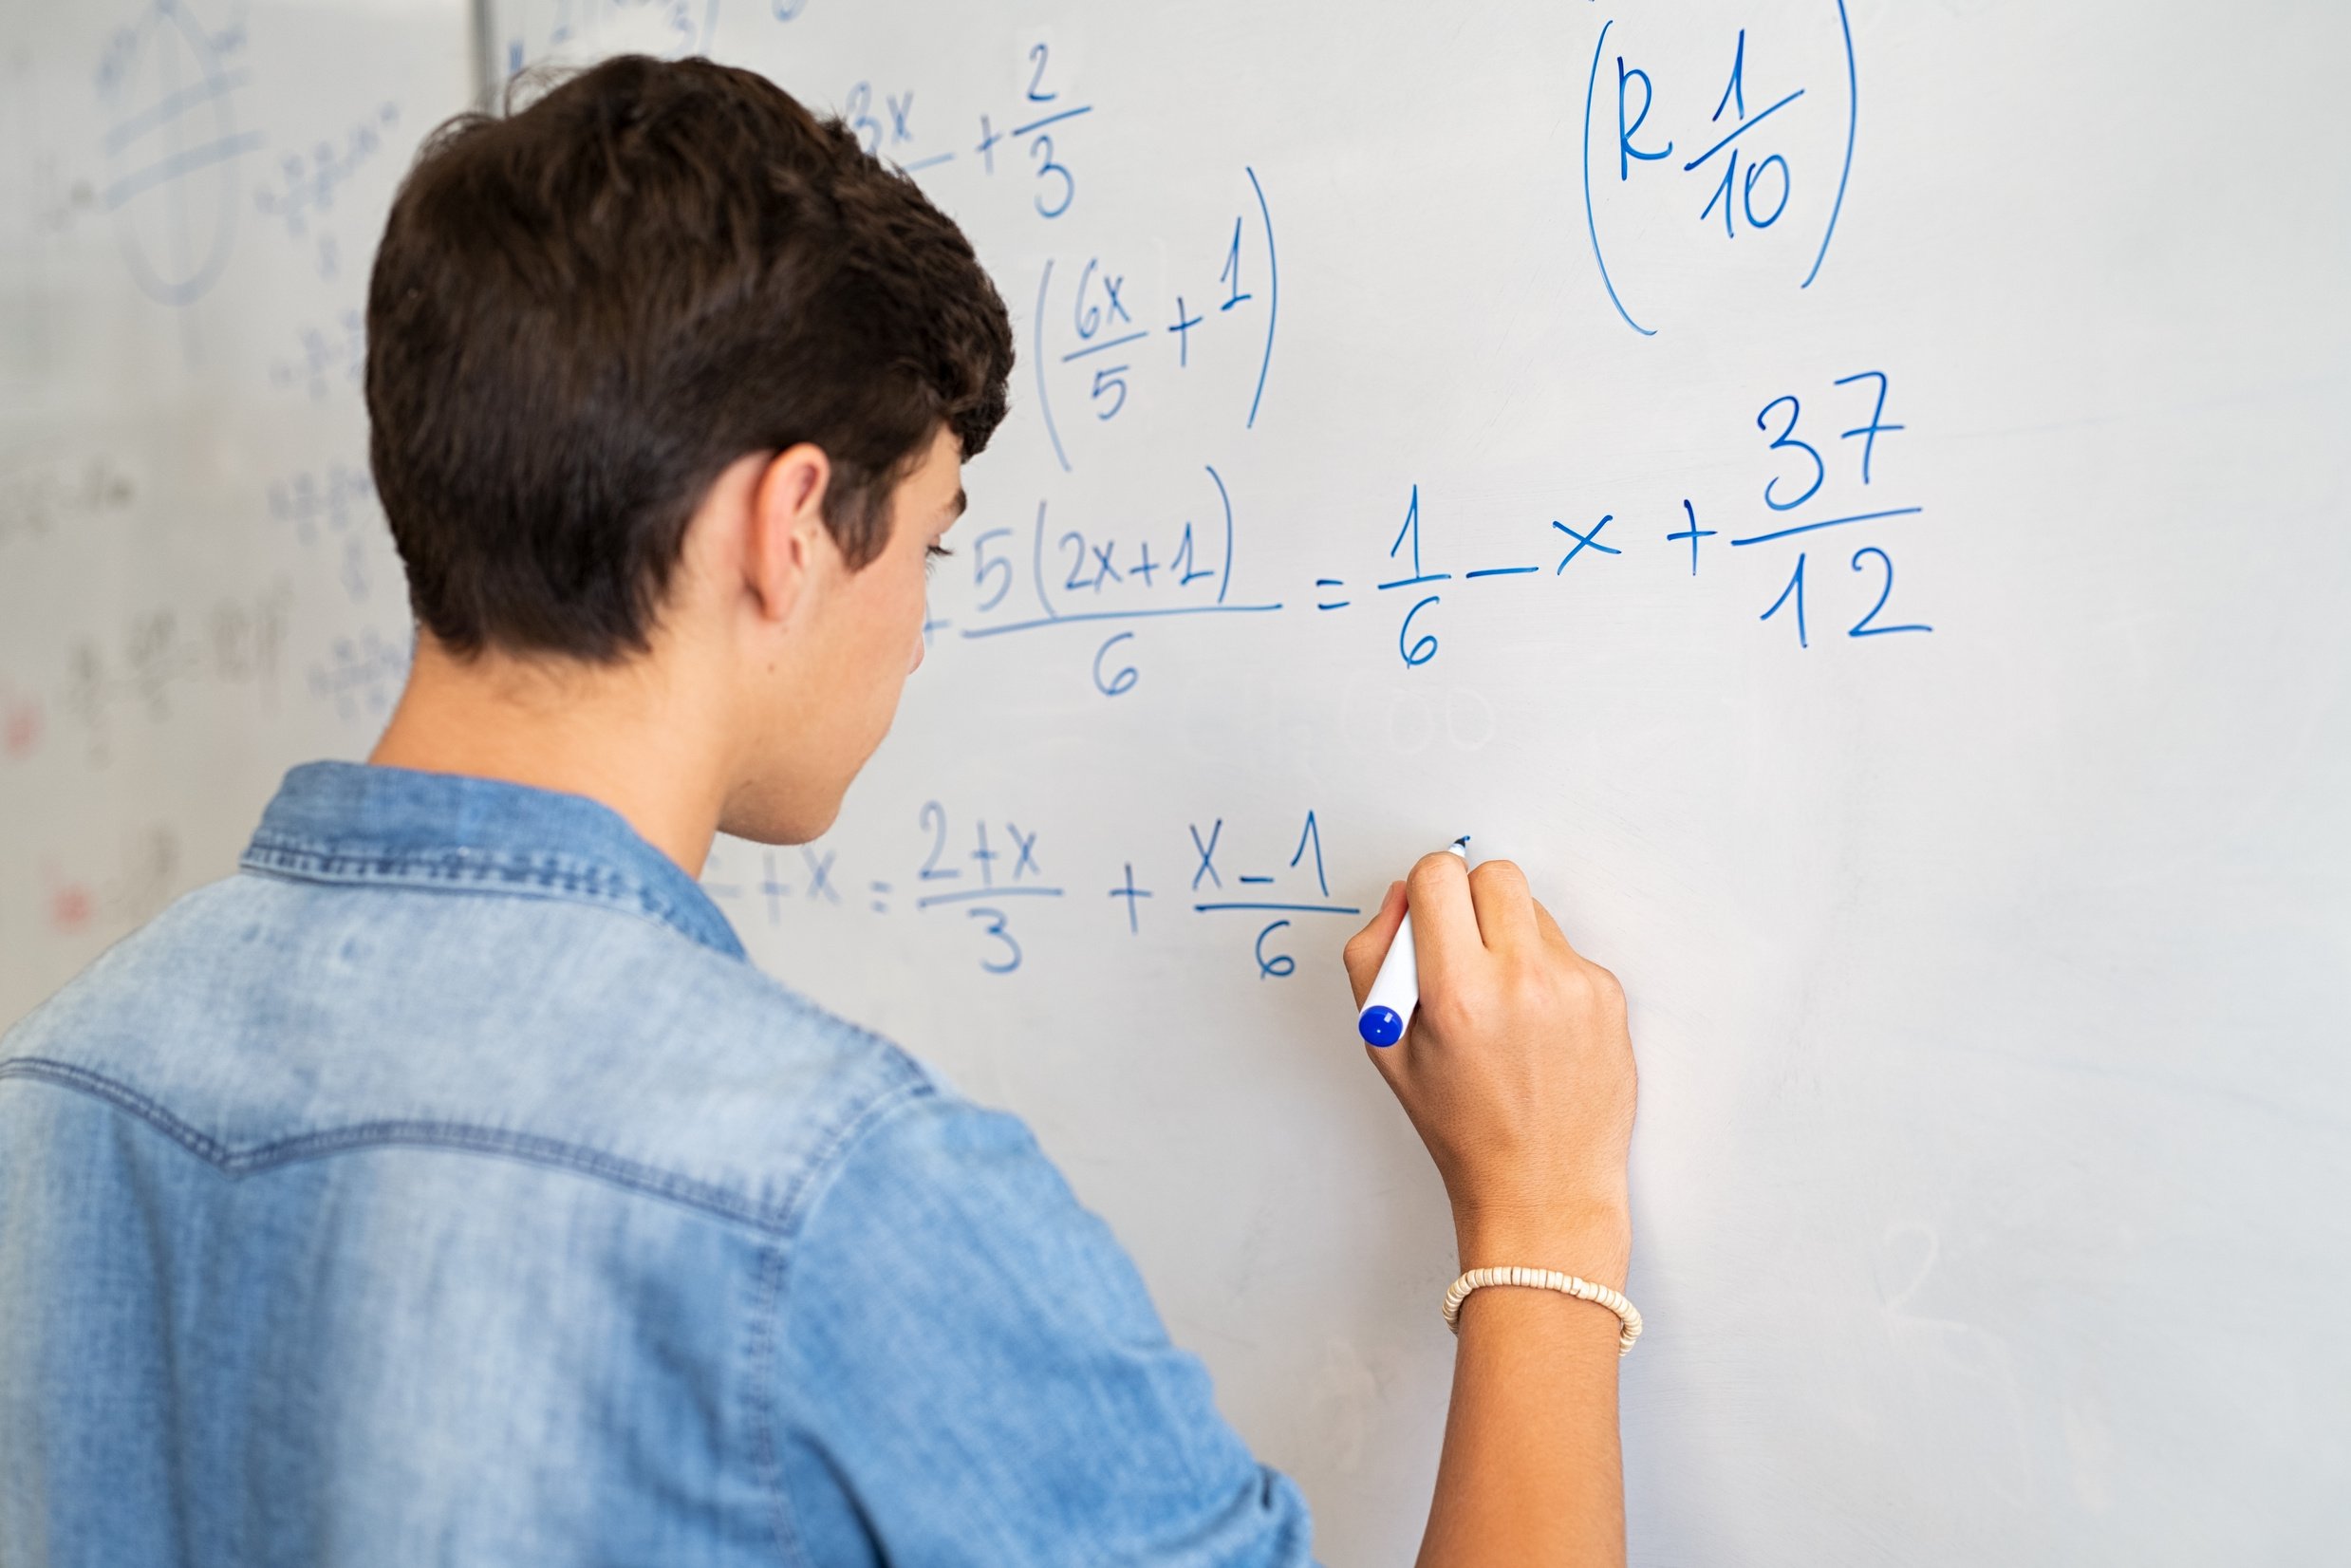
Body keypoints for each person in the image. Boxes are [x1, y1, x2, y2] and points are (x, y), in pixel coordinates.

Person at [0, 55, 1637, 1567]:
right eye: (929, 541)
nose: (921, 622)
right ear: (788, 526)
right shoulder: (836, 1196)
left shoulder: (60, 1080)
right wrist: (1546, 1217)